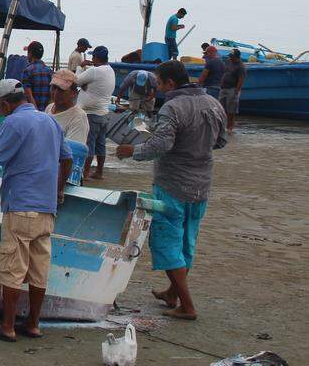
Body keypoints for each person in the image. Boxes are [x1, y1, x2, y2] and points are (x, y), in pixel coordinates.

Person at [116, 60, 227, 321]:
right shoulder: (213, 103)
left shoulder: (172, 107)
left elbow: (161, 145)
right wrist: (196, 147)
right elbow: (220, 141)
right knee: (187, 241)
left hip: (173, 184)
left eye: (159, 83)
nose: (157, 89)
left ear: (170, 83)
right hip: (201, 184)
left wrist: (133, 151)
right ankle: (172, 293)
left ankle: (187, 305)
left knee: (168, 242)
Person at [0, 79, 73, 342]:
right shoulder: (50, 120)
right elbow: (68, 159)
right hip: (46, 208)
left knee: (12, 268)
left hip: (20, 206)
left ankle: (7, 326)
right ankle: (33, 323)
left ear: (6, 104)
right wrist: (58, 190)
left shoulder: (13, 123)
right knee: (39, 268)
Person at [76, 46, 116, 180]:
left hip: (91, 113)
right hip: (104, 112)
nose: (91, 59)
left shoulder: (94, 71)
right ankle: (99, 172)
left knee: (89, 144)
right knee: (101, 144)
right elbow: (87, 84)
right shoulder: (110, 70)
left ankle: (85, 174)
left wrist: (81, 67)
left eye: (93, 57)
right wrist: (84, 84)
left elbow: (76, 81)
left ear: (96, 58)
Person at [46, 69, 88, 145]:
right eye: (54, 88)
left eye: (61, 90)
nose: (55, 93)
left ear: (74, 93)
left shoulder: (78, 117)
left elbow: (73, 151)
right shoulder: (49, 108)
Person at [219, 48, 247, 132]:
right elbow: (224, 72)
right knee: (221, 108)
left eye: (232, 56)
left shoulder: (241, 66)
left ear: (237, 57)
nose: (230, 58)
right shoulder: (228, 61)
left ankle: (230, 128)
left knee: (231, 111)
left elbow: (241, 79)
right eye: (230, 56)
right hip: (223, 88)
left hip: (233, 89)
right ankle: (222, 126)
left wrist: (236, 91)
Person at [20, 41, 53, 110]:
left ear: (30, 54)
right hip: (46, 112)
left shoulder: (27, 71)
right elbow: (51, 95)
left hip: (32, 112)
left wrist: (36, 112)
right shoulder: (49, 71)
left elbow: (28, 95)